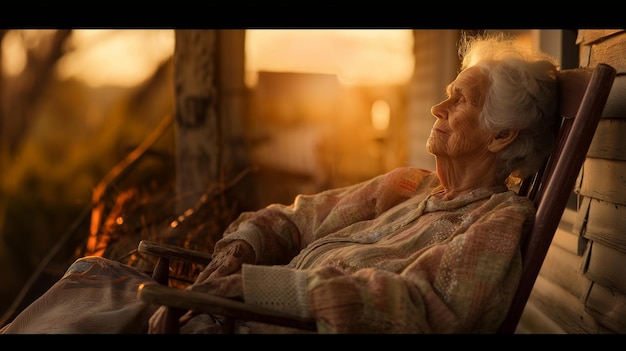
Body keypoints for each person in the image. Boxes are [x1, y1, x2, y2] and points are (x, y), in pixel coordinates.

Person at [0, 33, 559, 334]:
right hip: (234, 311)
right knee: (89, 280)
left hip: (261, 325)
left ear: (501, 134)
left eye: (460, 99)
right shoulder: (407, 188)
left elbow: (425, 309)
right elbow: (297, 216)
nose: (438, 106)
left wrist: (265, 289)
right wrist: (243, 248)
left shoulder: (495, 224)